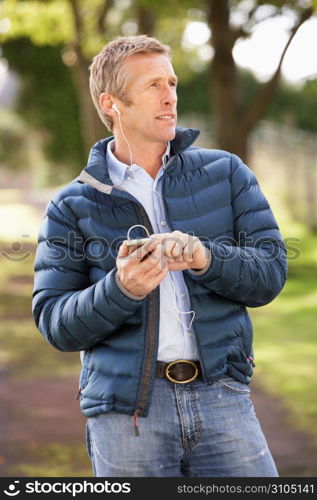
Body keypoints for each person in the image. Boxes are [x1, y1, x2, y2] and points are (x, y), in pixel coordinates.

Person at [32, 35, 287, 477]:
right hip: (126, 414)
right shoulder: (71, 205)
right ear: (112, 103)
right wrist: (120, 289)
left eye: (171, 82)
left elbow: (270, 274)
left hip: (223, 397)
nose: (170, 95)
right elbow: (55, 322)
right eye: (153, 85)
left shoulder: (226, 173)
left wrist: (207, 257)